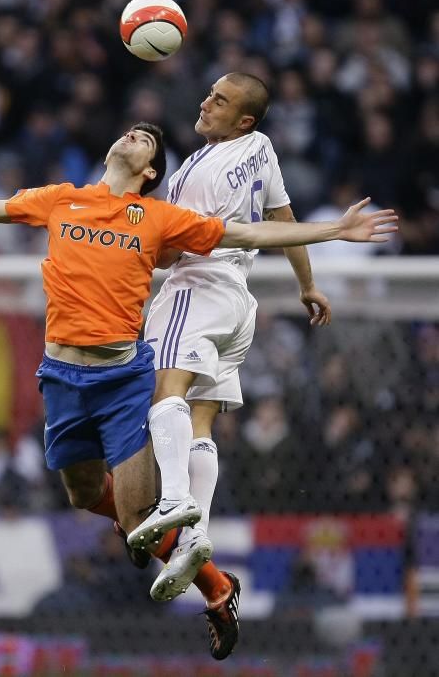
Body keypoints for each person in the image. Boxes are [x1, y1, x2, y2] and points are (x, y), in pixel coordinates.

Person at [0, 122, 397, 660]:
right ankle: (202, 566)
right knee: (84, 494)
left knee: (138, 521)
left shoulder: (158, 218)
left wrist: (332, 232)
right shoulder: (64, 199)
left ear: (151, 170)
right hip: (62, 377)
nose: (132, 136)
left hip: (122, 381)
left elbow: (249, 234)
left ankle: (217, 588)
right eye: (130, 132)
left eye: (145, 139)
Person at [125, 74, 372, 624]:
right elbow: (281, 221)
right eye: (209, 93)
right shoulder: (261, 150)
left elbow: (169, 255)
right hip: (240, 300)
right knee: (202, 421)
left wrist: (126, 235)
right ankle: (197, 536)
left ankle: (172, 501)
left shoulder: (195, 171)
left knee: (166, 395)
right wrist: (307, 284)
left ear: (244, 120)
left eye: (219, 100)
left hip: (196, 289)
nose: (204, 103)